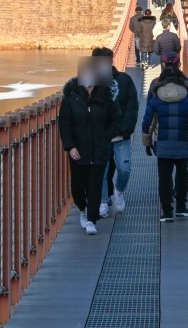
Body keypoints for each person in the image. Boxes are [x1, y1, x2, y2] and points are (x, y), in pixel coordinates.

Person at [58, 59, 123, 235]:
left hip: (99, 150)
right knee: (78, 188)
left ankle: (91, 220)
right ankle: (82, 208)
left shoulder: (106, 97)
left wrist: (106, 137)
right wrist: (70, 147)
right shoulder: (71, 98)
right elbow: (65, 124)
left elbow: (116, 120)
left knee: (95, 186)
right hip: (78, 150)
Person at [142, 55, 188, 222]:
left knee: (164, 178)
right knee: (182, 174)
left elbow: (147, 121)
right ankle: (181, 207)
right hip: (182, 143)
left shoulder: (156, 96)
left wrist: (147, 143)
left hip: (162, 144)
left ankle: (167, 211)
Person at [91, 47, 138, 217]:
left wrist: (125, 128)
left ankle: (118, 191)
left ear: (111, 61)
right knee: (101, 170)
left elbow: (132, 107)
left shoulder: (124, 80)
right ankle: (103, 201)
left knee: (124, 168)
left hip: (120, 134)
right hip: (100, 135)